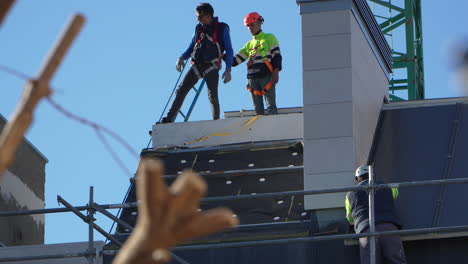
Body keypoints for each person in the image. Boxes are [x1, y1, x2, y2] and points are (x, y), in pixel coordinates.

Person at [161, 3, 233, 123]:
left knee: (212, 96)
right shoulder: (199, 29)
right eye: (197, 17)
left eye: (200, 16)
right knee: (181, 90)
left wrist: (228, 69)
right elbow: (192, 46)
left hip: (212, 65)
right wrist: (182, 57)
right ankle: (169, 118)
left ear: (209, 15)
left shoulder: (222, 28)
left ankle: (215, 121)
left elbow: (229, 50)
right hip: (197, 64)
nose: (198, 19)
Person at [345, 165, 407, 264]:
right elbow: (395, 193)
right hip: (389, 227)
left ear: (357, 179)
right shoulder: (386, 187)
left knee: (370, 261)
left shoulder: (350, 194)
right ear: (373, 176)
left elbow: (350, 218)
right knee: (396, 260)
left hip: (366, 230)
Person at [231, 12, 281, 115]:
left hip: (266, 75)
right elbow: (235, 61)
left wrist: (276, 72)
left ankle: (272, 125)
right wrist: (223, 56)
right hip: (253, 78)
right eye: (248, 26)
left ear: (259, 22)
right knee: (258, 109)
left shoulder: (269, 38)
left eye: (252, 25)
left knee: (271, 106)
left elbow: (276, 56)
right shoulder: (249, 45)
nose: (250, 28)